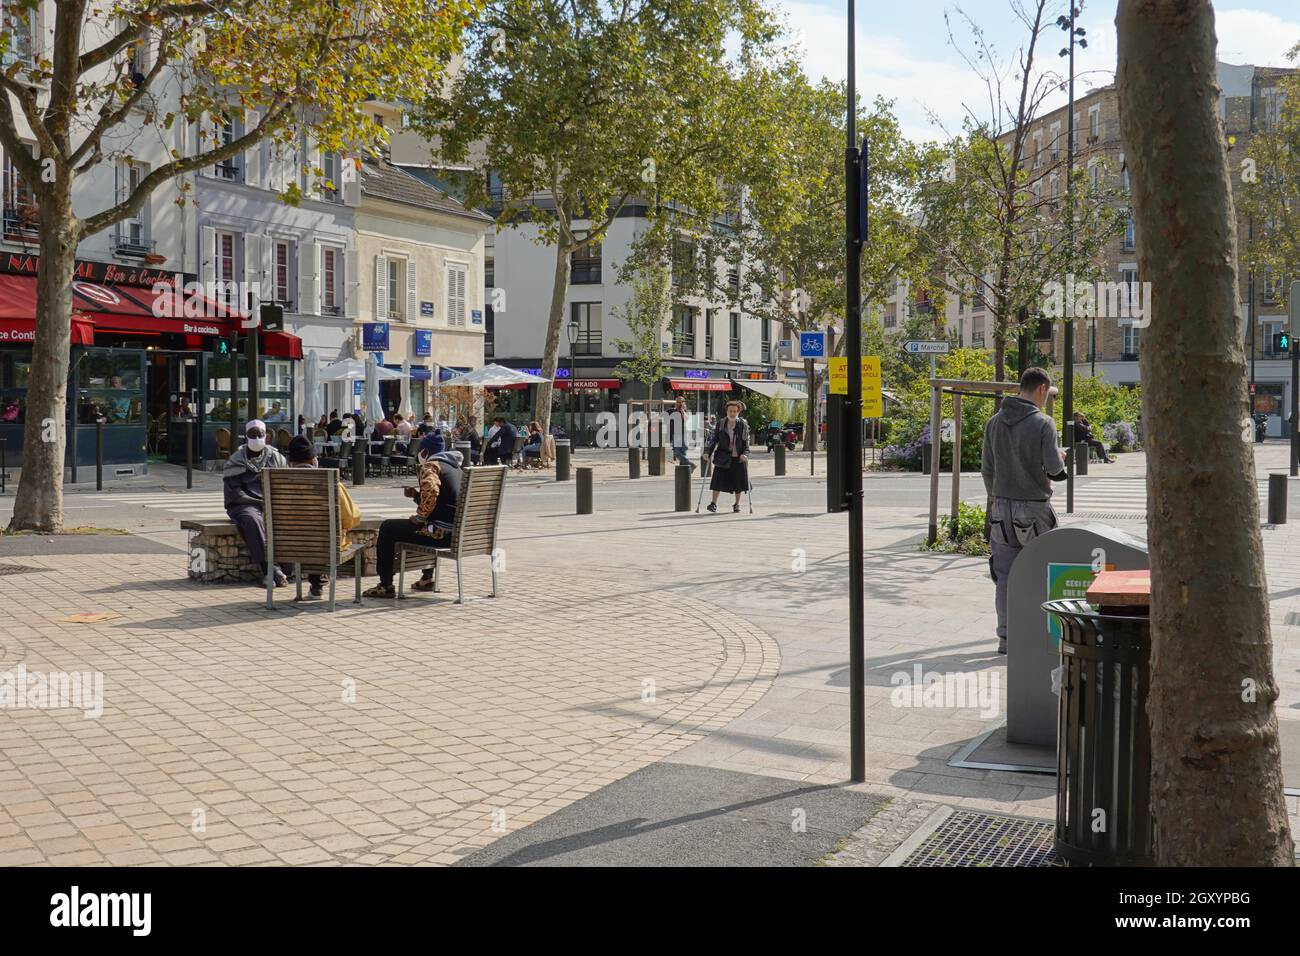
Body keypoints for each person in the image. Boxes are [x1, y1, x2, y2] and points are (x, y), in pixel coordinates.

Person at [982, 368, 1068, 655]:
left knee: (1004, 575)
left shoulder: (994, 423)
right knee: (1043, 569)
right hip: (1034, 509)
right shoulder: (1044, 424)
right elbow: (1054, 469)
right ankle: (1039, 632)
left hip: (1001, 508)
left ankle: (1006, 637)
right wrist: (1060, 457)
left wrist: (995, 498)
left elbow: (987, 468)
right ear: (1042, 389)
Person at [363, 431, 464, 598]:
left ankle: (385, 584)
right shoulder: (456, 469)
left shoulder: (431, 466)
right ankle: (426, 578)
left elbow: (431, 491)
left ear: (424, 452)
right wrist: (417, 496)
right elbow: (443, 504)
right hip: (457, 533)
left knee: (388, 527)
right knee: (421, 524)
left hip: (440, 534)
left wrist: (420, 517)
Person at [285, 435, 361, 599]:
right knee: (322, 537)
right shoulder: (330, 482)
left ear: (290, 462)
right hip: (325, 545)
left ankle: (317, 585)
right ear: (313, 460)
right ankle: (317, 584)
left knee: (308, 535)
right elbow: (350, 518)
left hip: (289, 544)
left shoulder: (279, 484)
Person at [223, 420, 289, 587]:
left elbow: (284, 485)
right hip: (245, 505)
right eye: (253, 435)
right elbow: (236, 495)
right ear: (246, 437)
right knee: (253, 520)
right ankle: (269, 569)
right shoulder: (236, 460)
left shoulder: (276, 458)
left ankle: (285, 569)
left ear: (266, 435)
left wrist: (272, 503)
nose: (257, 438)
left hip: (272, 503)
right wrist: (260, 502)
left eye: (260, 434)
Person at [703, 400, 750, 513]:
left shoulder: (743, 424)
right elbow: (713, 439)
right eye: (730, 411)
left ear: (738, 412)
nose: (732, 413)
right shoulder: (721, 423)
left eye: (734, 411)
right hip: (723, 456)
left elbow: (746, 442)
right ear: (726, 411)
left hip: (738, 457)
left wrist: (745, 454)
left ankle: (737, 504)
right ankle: (713, 503)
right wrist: (707, 452)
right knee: (717, 481)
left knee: (738, 483)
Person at [672, 395, 695, 471]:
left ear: (683, 403)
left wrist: (682, 411)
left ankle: (690, 465)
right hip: (675, 434)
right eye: (677, 402)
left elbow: (686, 419)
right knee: (680, 452)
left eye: (680, 402)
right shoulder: (672, 411)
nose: (678, 403)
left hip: (683, 434)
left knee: (679, 453)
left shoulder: (686, 411)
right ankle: (685, 471)